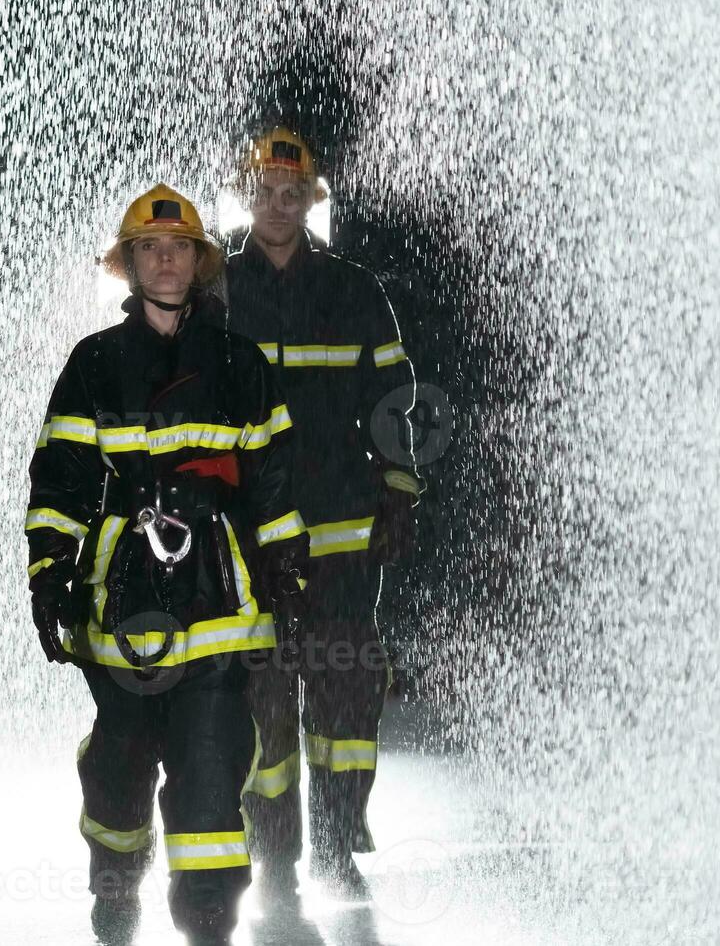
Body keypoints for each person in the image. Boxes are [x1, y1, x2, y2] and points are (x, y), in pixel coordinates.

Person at [24, 183, 309, 945]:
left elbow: (273, 481)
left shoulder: (239, 365)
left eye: (178, 246)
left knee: (211, 775)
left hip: (218, 600)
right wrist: (48, 573)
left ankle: (210, 927)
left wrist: (289, 575)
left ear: (198, 261)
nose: (165, 259)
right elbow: (60, 479)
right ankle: (113, 903)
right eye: (149, 248)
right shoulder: (93, 364)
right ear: (128, 264)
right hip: (121, 604)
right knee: (120, 767)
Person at [223, 127, 423, 900]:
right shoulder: (219, 293)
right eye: (266, 193)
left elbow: (393, 403)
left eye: (292, 195)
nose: (279, 207)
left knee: (345, 690)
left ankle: (337, 844)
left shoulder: (355, 292)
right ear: (249, 197)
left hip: (341, 534)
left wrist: (400, 487)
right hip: (250, 539)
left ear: (312, 201)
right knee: (261, 696)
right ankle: (274, 854)